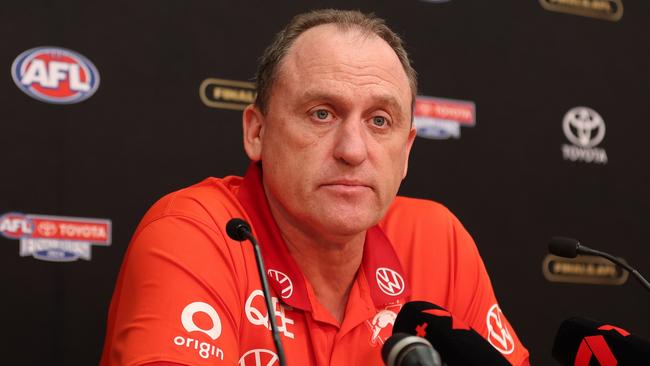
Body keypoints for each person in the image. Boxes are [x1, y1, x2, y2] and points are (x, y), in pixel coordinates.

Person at [101, 9, 530, 366]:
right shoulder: (194, 232)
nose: (352, 150)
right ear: (257, 131)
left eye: (379, 121)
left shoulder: (438, 239)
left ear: (406, 152)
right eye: (322, 113)